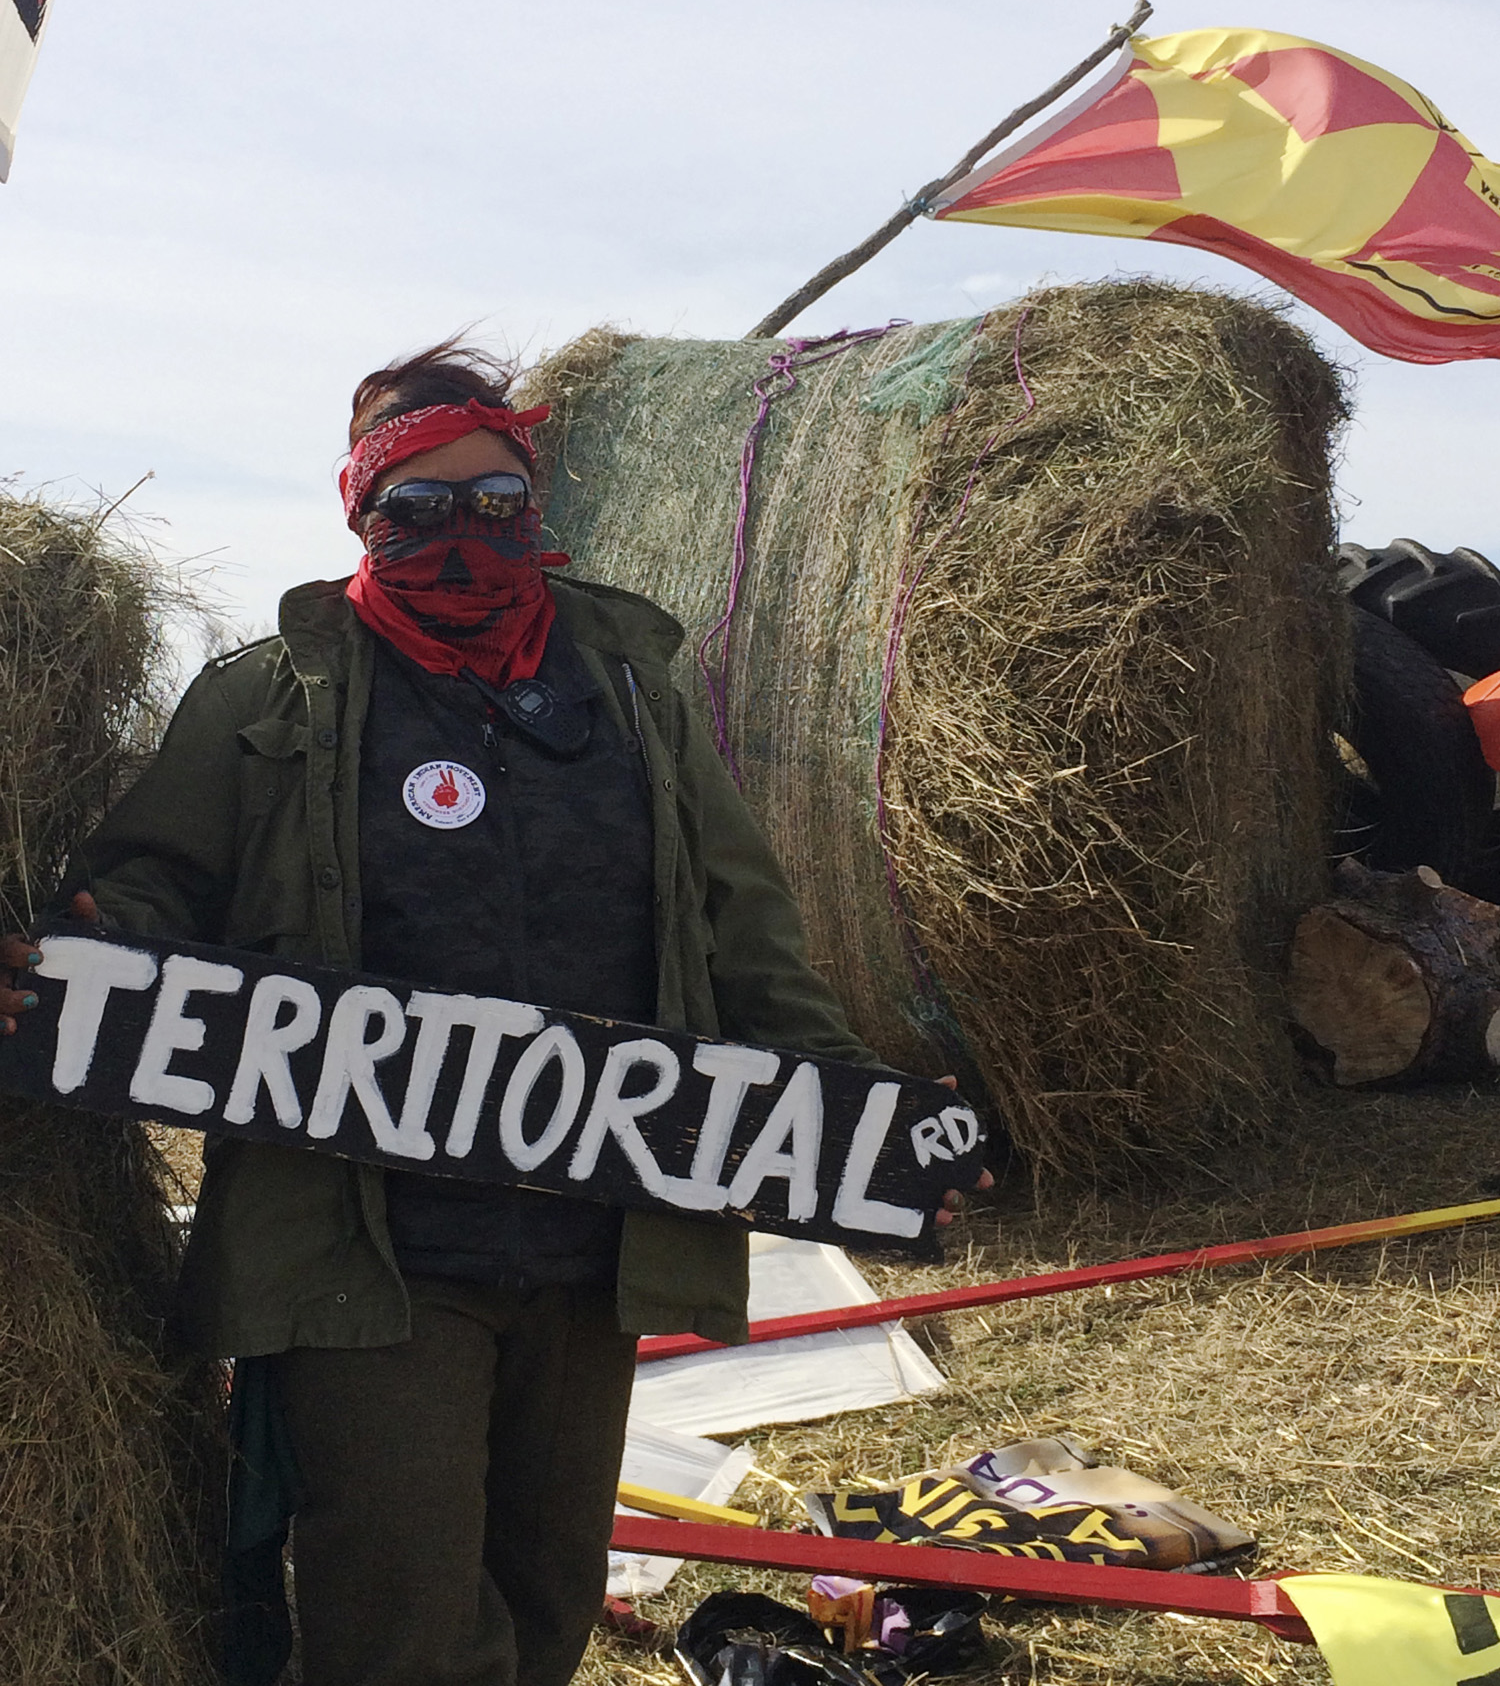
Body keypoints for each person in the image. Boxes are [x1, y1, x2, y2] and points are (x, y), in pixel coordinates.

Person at [0, 340, 988, 1686]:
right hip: (371, 1244)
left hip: (600, 1229)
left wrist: (851, 1116)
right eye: (417, 509)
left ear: (536, 512)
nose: (460, 538)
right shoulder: (268, 694)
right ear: (360, 509)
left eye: (494, 507)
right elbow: (157, 879)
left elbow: (740, 924)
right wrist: (95, 956)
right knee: (397, 1613)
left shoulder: (632, 688)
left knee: (544, 1591)